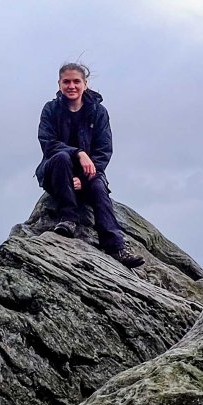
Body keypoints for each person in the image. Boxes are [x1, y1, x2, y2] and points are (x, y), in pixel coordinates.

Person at [35, 62, 143, 268]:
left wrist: (83, 179)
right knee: (61, 157)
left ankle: (116, 247)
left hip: (87, 175)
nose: (71, 86)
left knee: (98, 187)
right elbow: (48, 144)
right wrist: (79, 152)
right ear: (59, 84)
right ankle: (68, 218)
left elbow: (104, 151)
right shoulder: (50, 109)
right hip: (56, 173)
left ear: (85, 84)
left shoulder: (98, 112)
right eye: (66, 82)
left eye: (76, 81)